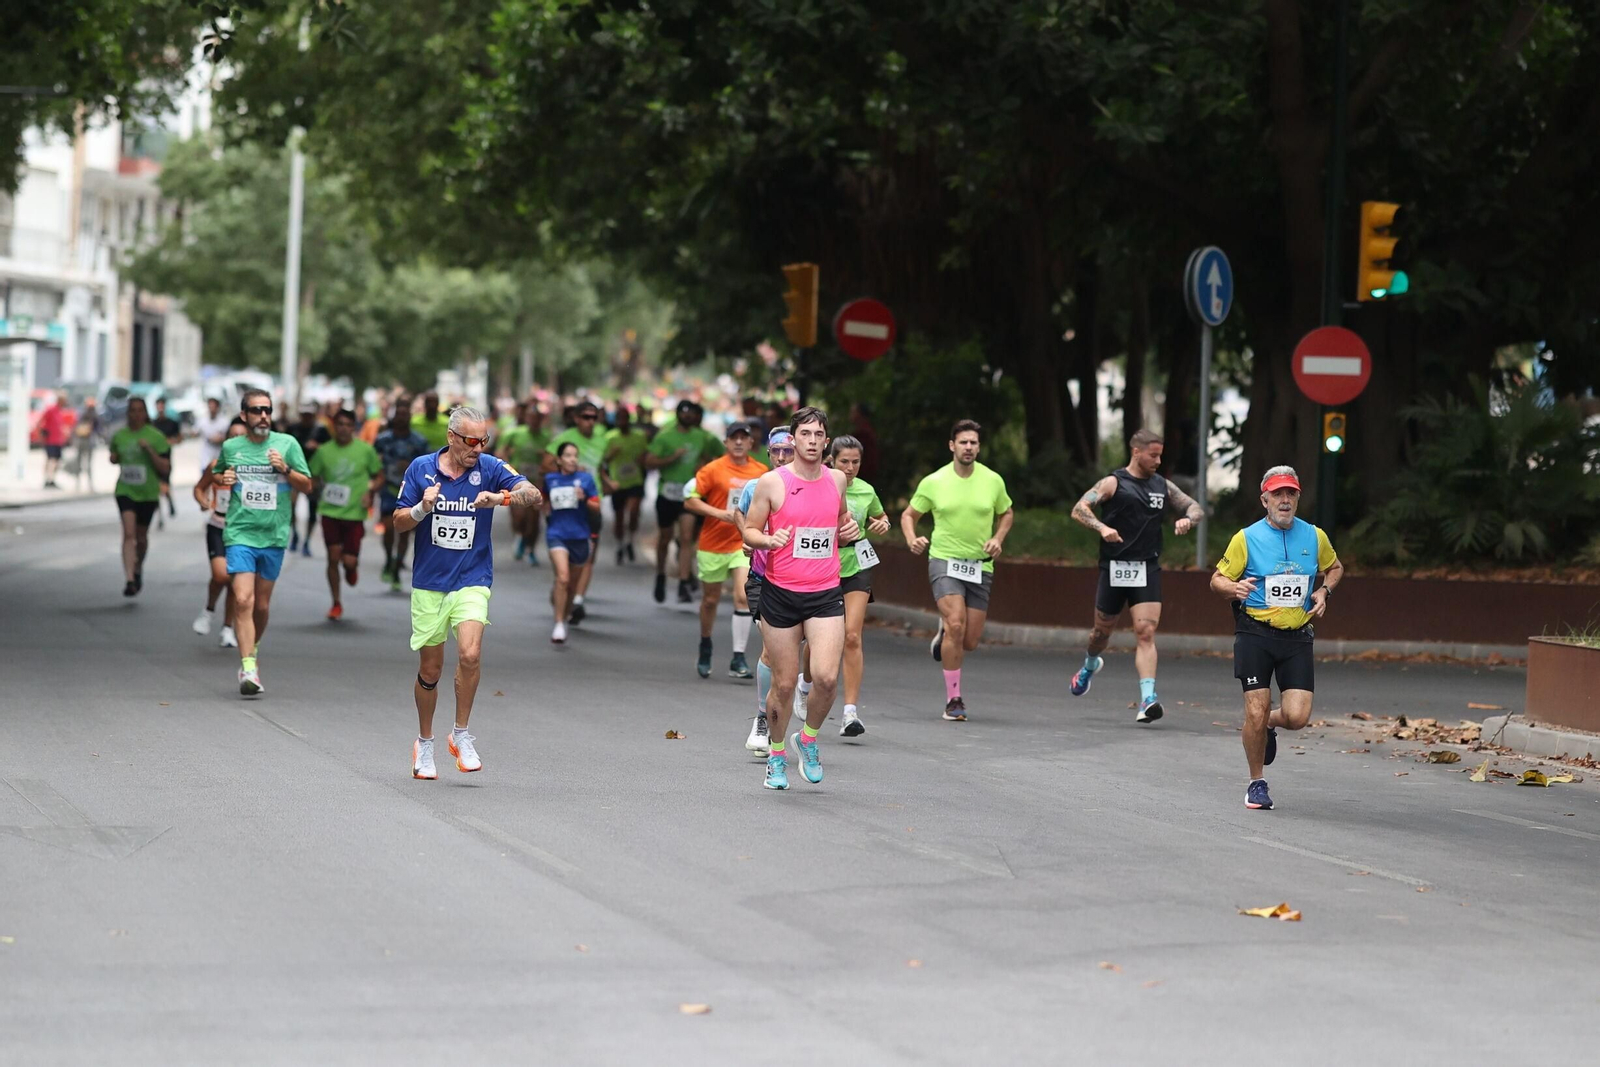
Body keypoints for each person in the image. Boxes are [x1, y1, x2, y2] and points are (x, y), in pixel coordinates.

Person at [392, 406, 541, 779]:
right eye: (471, 441)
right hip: (430, 583)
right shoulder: (421, 469)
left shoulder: (490, 468)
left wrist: (501, 499)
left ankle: (460, 734)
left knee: (470, 654)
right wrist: (422, 509)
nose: (478, 448)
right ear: (451, 437)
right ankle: (425, 742)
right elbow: (397, 522)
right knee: (431, 669)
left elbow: (532, 493)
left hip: (472, 578)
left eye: (483, 441)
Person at [1210, 466, 1343, 811]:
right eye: (1278, 494)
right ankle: (1256, 782)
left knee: (1297, 717)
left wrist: (1324, 591)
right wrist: (1233, 588)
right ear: (1264, 500)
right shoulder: (1246, 538)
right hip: (1254, 632)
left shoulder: (1314, 536)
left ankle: (1268, 722)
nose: (1285, 500)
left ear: (1298, 498)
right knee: (1255, 709)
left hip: (1297, 637)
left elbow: (1335, 567)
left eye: (1291, 494)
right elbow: (1217, 580)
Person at [741, 408, 859, 791]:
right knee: (784, 683)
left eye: (818, 434)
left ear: (826, 441)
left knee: (825, 678)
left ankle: (807, 739)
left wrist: (848, 530)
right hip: (781, 593)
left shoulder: (837, 479)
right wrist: (768, 540)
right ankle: (776, 755)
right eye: (805, 434)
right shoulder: (772, 482)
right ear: (793, 440)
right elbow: (749, 531)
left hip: (825, 592)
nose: (812, 440)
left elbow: (840, 523)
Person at [1067, 429, 1206, 722]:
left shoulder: (1162, 486)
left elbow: (1195, 507)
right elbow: (1079, 509)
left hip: (1147, 567)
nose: (1158, 461)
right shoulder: (1114, 482)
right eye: (1153, 455)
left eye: (1160, 455)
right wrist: (1102, 528)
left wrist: (1187, 520)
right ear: (1136, 452)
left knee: (1146, 631)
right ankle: (1090, 665)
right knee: (1100, 634)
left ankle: (1147, 699)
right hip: (1114, 568)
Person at [195, 390, 313, 695]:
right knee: (243, 599)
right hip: (239, 534)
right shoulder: (232, 447)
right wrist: (223, 480)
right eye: (256, 410)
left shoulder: (287, 444)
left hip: (273, 535)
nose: (263, 416)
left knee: (261, 605)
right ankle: (248, 667)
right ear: (244, 415)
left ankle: (253, 648)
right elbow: (217, 475)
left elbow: (308, 485)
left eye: (267, 410)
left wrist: (285, 469)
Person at [900, 419, 1014, 722]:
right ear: (952, 446)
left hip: (980, 565)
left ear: (979, 447)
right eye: (963, 442)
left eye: (973, 442)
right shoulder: (934, 481)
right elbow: (909, 515)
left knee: (970, 641)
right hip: (945, 560)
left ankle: (946, 632)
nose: (968, 447)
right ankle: (954, 700)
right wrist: (912, 539)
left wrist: (998, 538)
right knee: (956, 624)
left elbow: (1006, 513)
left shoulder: (993, 480)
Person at [685, 421, 768, 678]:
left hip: (742, 543)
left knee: (742, 596)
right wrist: (720, 514)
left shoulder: (761, 472)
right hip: (712, 544)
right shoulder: (713, 469)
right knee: (710, 600)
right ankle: (705, 643)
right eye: (734, 438)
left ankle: (738, 657)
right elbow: (690, 501)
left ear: (752, 442)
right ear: (726, 442)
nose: (739, 442)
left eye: (744, 438)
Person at [733, 427, 795, 755]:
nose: (782, 458)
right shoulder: (755, 487)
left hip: (801, 582)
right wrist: (749, 537)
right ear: (768, 454)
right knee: (771, 649)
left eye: (788, 451)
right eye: (776, 452)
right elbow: (740, 514)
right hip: (762, 579)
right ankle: (762, 718)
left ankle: (794, 698)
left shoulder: (813, 487)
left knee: (791, 657)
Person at [830, 434, 890, 737]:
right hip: (824, 566)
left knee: (852, 635)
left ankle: (850, 712)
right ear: (831, 460)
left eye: (855, 462)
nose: (850, 467)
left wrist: (882, 524)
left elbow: (881, 516)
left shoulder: (866, 490)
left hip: (857, 565)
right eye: (844, 461)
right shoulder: (822, 485)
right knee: (818, 639)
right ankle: (805, 684)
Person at [541, 399, 614, 625]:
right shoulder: (565, 439)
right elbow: (545, 465)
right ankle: (562, 586)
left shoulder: (603, 439)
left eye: (594, 417)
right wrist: (570, 469)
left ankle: (578, 600)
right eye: (585, 417)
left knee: (588, 555)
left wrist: (607, 482)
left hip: (591, 503)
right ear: (576, 418)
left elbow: (601, 467)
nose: (590, 422)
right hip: (564, 507)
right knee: (564, 562)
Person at [309, 409, 385, 621]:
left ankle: (351, 568)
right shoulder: (324, 451)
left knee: (349, 561)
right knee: (333, 557)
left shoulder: (365, 450)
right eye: (340, 424)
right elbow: (313, 476)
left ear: (353, 427)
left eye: (348, 425)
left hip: (354, 513)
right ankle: (336, 602)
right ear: (334, 427)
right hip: (330, 511)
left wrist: (370, 491)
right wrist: (314, 487)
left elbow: (379, 476)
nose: (343, 429)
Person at [645, 399, 722, 603]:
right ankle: (660, 575)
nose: (688, 416)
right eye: (684, 412)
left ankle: (683, 583)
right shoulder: (665, 436)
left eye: (691, 413)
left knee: (687, 538)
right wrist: (671, 458)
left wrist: (705, 464)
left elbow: (718, 456)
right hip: (667, 493)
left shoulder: (702, 437)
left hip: (689, 495)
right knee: (665, 538)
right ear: (678, 414)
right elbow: (649, 462)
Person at [109, 397, 172, 596]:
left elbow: (165, 467)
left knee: (141, 538)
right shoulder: (120, 436)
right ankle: (129, 579)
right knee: (128, 533)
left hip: (147, 493)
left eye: (139, 410)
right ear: (127, 413)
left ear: (145, 413)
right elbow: (114, 456)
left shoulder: (155, 436)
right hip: (125, 490)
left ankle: (137, 568)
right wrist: (114, 458)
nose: (136, 414)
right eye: (132, 410)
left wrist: (149, 450)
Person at [193, 419, 248, 646]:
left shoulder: (255, 470)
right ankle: (208, 610)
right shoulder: (216, 464)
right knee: (221, 576)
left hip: (242, 532)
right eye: (232, 436)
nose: (236, 441)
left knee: (235, 581)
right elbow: (199, 488)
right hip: (218, 527)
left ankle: (227, 628)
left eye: (241, 437)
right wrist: (203, 500)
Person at [542, 441, 601, 643]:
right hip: (557, 534)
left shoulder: (586, 479)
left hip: (580, 536)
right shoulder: (550, 479)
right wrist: (542, 507)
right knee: (563, 578)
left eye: (575, 455)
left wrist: (584, 498)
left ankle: (564, 615)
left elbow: (597, 506)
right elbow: (543, 499)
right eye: (568, 456)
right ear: (559, 460)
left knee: (572, 586)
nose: (572, 459)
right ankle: (558, 623)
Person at [375, 400, 431, 592]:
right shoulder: (383, 439)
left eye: (405, 414)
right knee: (388, 527)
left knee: (404, 531)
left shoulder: (419, 441)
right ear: (394, 416)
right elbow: (373, 463)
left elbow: (427, 466)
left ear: (410, 417)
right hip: (388, 489)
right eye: (398, 414)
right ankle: (388, 558)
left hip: (410, 491)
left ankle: (397, 567)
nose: (401, 418)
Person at [495, 402, 551, 566]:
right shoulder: (514, 433)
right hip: (516, 482)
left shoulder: (546, 437)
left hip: (536, 482)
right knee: (519, 516)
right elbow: (500, 453)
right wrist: (509, 465)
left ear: (541, 420)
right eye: (531, 418)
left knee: (534, 520)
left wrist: (544, 458)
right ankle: (519, 536)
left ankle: (531, 549)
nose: (534, 422)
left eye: (537, 419)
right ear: (527, 418)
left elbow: (551, 458)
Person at [605, 405, 650, 563]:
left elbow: (646, 453)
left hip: (635, 481)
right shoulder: (610, 437)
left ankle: (630, 539)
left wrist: (643, 459)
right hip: (617, 483)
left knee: (633, 511)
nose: (622, 422)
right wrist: (612, 454)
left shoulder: (639, 436)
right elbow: (603, 460)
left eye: (625, 418)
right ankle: (620, 545)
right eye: (619, 419)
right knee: (619, 517)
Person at [285, 403, 330, 556]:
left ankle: (307, 541)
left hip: (313, 475)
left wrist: (318, 447)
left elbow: (330, 449)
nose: (306, 418)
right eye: (304, 415)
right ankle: (295, 534)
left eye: (309, 415)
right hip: (295, 472)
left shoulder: (321, 430)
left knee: (312, 509)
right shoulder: (293, 429)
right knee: (291, 505)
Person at [151, 397, 184, 525]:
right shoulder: (153, 424)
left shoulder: (171, 423)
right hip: (154, 458)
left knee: (164, 485)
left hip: (166, 458)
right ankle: (160, 513)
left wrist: (171, 441)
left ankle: (169, 502)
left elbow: (179, 438)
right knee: (156, 486)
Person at [39, 391, 71, 488]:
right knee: (51, 460)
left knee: (56, 461)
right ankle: (48, 479)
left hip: (58, 441)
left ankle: (52, 479)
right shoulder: (51, 410)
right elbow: (41, 421)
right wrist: (42, 434)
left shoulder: (60, 411)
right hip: (50, 440)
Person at [194, 396, 233, 474]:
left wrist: (221, 438)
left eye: (213, 407)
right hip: (206, 458)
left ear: (218, 407)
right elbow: (194, 432)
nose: (211, 409)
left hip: (220, 457)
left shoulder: (224, 422)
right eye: (210, 406)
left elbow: (230, 436)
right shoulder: (202, 421)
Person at [71, 396, 101, 491]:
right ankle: (87, 484)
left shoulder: (81, 413)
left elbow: (75, 427)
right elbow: (98, 428)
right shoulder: (94, 415)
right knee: (87, 463)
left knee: (80, 462)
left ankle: (79, 483)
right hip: (87, 440)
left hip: (82, 440)